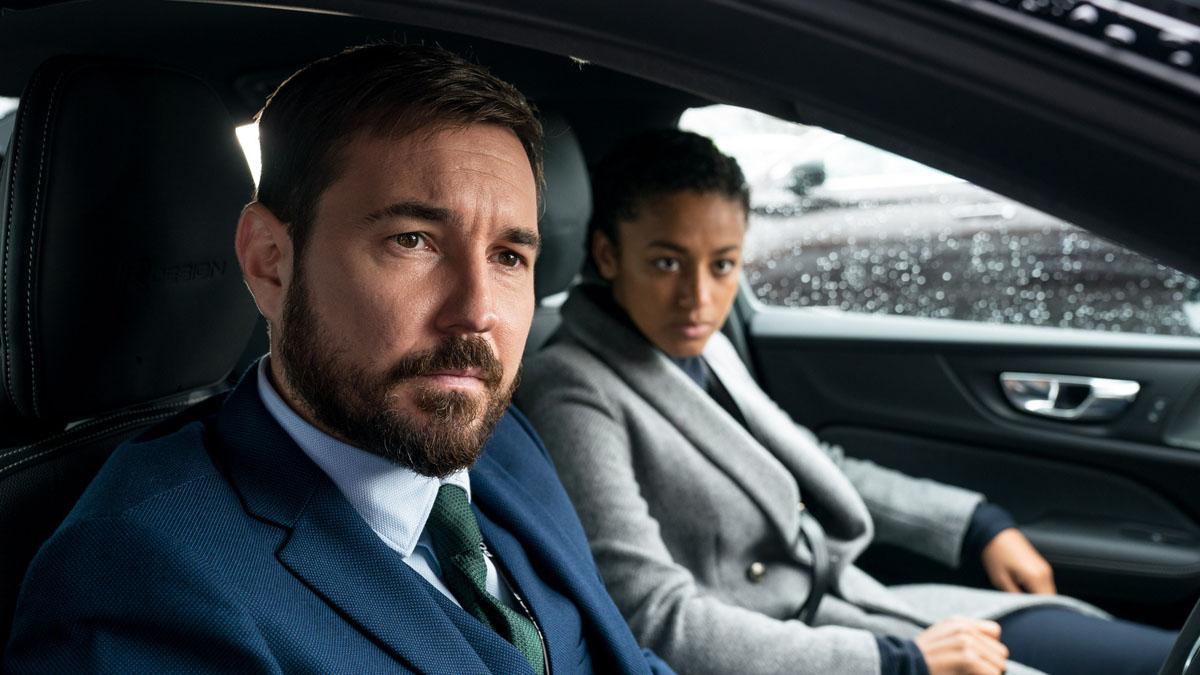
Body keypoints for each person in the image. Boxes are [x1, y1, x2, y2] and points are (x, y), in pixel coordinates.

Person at [4, 44, 675, 675]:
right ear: (269, 261)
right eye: (413, 240)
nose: (478, 312)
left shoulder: (500, 441)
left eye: (508, 256)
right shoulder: (137, 582)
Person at [516, 128, 1176, 675]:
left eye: (722, 264)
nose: (699, 298)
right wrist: (898, 662)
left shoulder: (693, 344)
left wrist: (976, 524)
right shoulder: (572, 389)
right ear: (608, 254)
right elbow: (653, 616)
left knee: (1163, 656)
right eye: (666, 263)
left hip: (855, 605)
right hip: (796, 650)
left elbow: (810, 466)